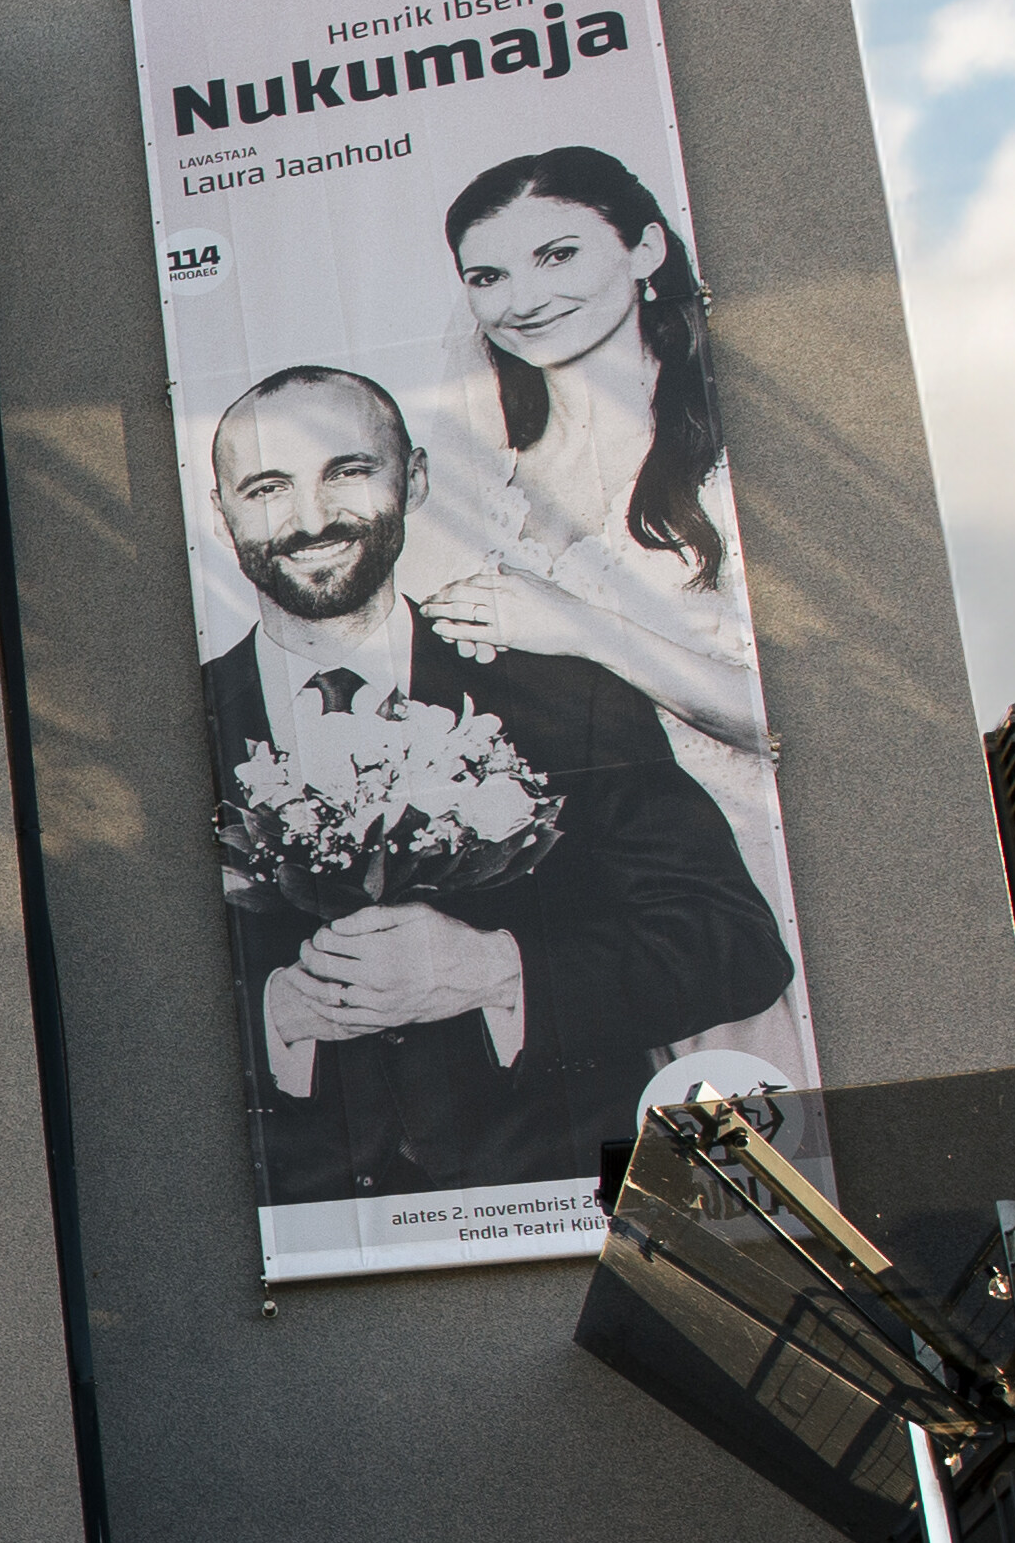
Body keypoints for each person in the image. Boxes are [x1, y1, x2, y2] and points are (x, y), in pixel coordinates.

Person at [197, 366, 791, 1205]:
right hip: (298, 1229)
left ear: (418, 478)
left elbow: (733, 946)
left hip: (560, 1204)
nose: (312, 518)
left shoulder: (560, 697)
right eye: (267, 487)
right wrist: (269, 1017)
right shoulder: (181, 740)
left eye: (349, 471)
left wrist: (497, 970)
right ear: (224, 516)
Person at [413, 145, 806, 1077]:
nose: (523, 298)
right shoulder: (483, 481)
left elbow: (776, 713)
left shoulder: (733, 451)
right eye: (488, 276)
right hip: (590, 909)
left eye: (558, 255)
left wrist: (580, 626)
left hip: (745, 881)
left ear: (645, 250)